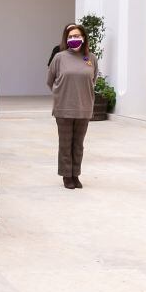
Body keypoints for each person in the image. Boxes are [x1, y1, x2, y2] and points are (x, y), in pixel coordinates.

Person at [47, 24, 97, 189]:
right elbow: (50, 80)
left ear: (83, 38)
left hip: (84, 107)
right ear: (66, 39)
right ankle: (66, 176)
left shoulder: (91, 58)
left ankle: (76, 174)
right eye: (70, 37)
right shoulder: (59, 57)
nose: (74, 39)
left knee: (78, 144)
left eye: (77, 36)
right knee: (65, 143)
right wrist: (61, 94)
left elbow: (93, 80)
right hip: (64, 108)